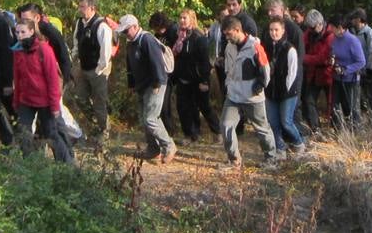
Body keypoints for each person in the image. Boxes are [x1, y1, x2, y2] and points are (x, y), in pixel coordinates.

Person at [218, 17, 280, 167]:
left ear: (237, 30)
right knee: (226, 125)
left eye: (228, 34)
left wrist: (260, 85)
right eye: (225, 35)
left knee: (262, 129)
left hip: (252, 97)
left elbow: (265, 69)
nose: (227, 37)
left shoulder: (255, 46)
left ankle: (271, 159)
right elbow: (228, 70)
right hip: (233, 95)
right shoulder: (229, 47)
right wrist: (227, 85)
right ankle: (234, 160)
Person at [11, 20, 72, 163]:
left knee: (52, 134)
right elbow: (17, 77)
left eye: (23, 32)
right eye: (17, 32)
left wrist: (55, 105)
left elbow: (52, 78)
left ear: (32, 31)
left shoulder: (43, 49)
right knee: (23, 133)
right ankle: (29, 163)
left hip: (45, 100)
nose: (20, 36)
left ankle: (67, 166)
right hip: (26, 99)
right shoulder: (18, 51)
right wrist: (16, 100)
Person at [118, 14, 176, 164]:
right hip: (142, 85)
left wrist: (157, 83)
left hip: (155, 84)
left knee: (151, 119)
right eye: (123, 32)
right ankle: (153, 149)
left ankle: (168, 146)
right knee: (144, 119)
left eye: (126, 30)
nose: (125, 34)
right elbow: (130, 66)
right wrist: (131, 85)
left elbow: (157, 62)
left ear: (135, 26)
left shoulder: (147, 39)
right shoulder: (131, 43)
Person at [71, 0, 114, 142]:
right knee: (80, 97)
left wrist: (99, 70)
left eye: (83, 7)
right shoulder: (79, 23)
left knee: (99, 100)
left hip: (99, 69)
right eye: (79, 6)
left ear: (92, 8)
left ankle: (104, 131)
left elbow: (106, 52)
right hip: (83, 66)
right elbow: (76, 42)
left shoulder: (101, 26)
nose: (80, 10)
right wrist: (74, 58)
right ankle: (96, 124)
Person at [171, 10, 217, 141]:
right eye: (180, 18)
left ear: (192, 19)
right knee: (183, 107)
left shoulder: (199, 37)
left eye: (184, 18)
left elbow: (204, 61)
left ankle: (217, 131)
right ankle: (190, 134)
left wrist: (204, 80)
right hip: (182, 77)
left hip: (197, 78)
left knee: (204, 106)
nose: (181, 20)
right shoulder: (180, 36)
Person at [263, 19, 307, 154]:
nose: (273, 33)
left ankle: (299, 143)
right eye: (271, 30)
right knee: (273, 122)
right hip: (271, 91)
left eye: (276, 30)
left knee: (286, 122)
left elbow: (292, 73)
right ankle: (280, 149)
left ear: (282, 31)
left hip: (287, 93)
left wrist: (286, 90)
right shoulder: (268, 48)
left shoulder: (290, 49)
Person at [328, 16, 366, 126]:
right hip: (337, 78)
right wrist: (332, 60)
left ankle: (354, 130)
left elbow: (361, 61)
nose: (330, 30)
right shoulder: (335, 39)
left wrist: (346, 69)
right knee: (335, 106)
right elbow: (334, 54)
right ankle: (337, 130)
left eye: (332, 27)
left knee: (350, 107)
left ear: (340, 28)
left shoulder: (352, 41)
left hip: (351, 80)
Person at [301, 10, 334, 129]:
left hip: (328, 74)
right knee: (309, 100)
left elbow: (322, 58)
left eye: (313, 27)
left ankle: (335, 128)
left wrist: (302, 58)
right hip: (314, 74)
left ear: (320, 24)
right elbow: (301, 45)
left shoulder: (330, 35)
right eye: (309, 27)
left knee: (332, 103)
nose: (310, 30)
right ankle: (315, 128)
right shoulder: (309, 33)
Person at [350, 9, 372, 118]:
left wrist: (367, 68)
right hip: (357, 70)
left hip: (369, 69)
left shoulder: (369, 33)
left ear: (359, 19)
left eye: (353, 19)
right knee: (358, 96)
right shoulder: (352, 32)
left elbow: (371, 52)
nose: (352, 21)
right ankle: (361, 116)